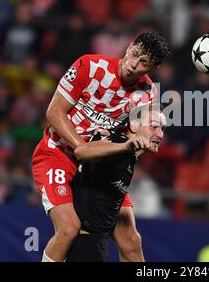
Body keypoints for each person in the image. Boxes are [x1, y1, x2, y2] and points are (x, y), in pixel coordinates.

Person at [31, 32, 170, 262]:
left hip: (100, 164)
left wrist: (150, 140)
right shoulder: (89, 66)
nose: (133, 65)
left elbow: (136, 132)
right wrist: (84, 149)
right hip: (57, 153)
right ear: (129, 46)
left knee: (131, 241)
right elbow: (54, 112)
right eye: (134, 54)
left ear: (152, 69)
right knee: (68, 229)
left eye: (143, 63)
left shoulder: (148, 94)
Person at [66, 103, 166, 261]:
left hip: (97, 242)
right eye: (154, 126)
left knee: (132, 242)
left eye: (163, 128)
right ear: (133, 125)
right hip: (86, 247)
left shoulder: (128, 155)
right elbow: (81, 151)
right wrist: (123, 146)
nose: (160, 134)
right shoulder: (118, 144)